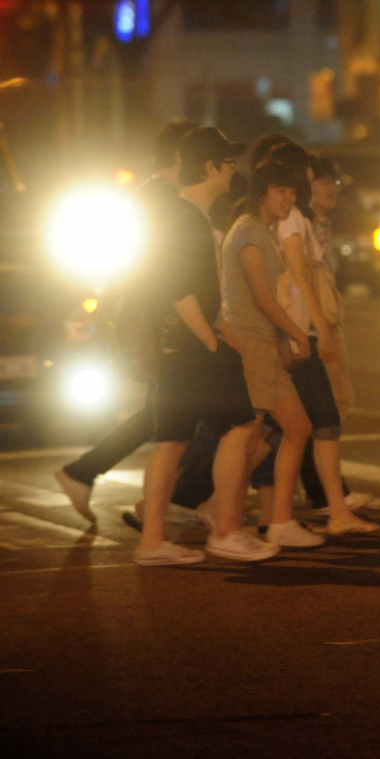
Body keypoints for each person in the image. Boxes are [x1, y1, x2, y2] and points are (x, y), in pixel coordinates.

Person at [134, 127, 276, 565]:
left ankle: (152, 542)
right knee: (241, 424)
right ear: (210, 167)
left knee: (171, 440)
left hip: (174, 343)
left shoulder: (184, 216)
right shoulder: (187, 219)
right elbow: (178, 287)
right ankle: (227, 530)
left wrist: (217, 330)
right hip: (191, 344)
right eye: (228, 163)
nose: (234, 170)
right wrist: (211, 340)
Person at [55, 119, 197, 524]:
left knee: (165, 411)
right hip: (160, 319)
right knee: (181, 412)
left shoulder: (152, 195)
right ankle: (172, 504)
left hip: (156, 316)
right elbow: (158, 268)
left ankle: (85, 473)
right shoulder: (161, 198)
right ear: (179, 157)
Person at [266, 144, 378, 537]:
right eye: (315, 178)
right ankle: (311, 510)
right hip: (301, 332)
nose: (323, 186)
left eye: (331, 180)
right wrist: (319, 332)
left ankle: (302, 509)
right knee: (309, 423)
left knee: (290, 425)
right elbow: (300, 278)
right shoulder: (293, 221)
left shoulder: (296, 220)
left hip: (299, 330)